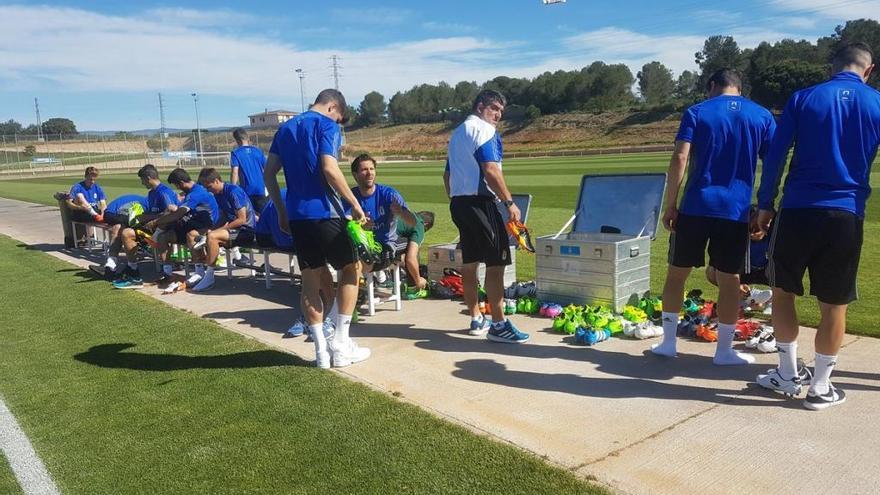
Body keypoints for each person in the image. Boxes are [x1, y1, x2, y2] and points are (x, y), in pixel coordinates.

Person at [754, 42, 879, 410]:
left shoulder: (804, 98)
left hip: (797, 210)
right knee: (834, 304)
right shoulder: (875, 102)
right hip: (846, 214)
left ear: (832, 67)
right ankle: (820, 387)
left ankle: (788, 373)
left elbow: (776, 154)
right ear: (869, 71)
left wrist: (765, 204)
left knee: (783, 292)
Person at [652, 68, 776, 365]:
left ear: (712, 86)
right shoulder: (761, 116)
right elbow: (772, 165)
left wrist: (671, 204)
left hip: (697, 205)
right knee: (730, 279)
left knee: (677, 274)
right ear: (739, 87)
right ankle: (724, 352)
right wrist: (764, 206)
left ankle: (668, 344)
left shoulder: (697, 112)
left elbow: (680, 157)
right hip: (735, 210)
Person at [264, 88, 370, 368]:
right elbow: (329, 168)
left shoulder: (285, 128)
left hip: (298, 217)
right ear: (334, 108)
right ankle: (341, 342)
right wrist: (354, 205)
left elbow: (268, 174)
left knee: (309, 282)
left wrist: (281, 210)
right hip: (326, 213)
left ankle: (321, 353)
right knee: (352, 269)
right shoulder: (326, 125)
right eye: (340, 118)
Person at [444, 89, 529, 343]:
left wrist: (458, 200)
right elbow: (491, 170)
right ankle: (499, 324)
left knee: (469, 265)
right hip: (482, 204)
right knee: (496, 264)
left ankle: (476, 318)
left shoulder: (457, 134)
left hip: (460, 204)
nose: (498, 115)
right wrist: (509, 203)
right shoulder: (484, 130)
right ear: (481, 106)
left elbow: (446, 176)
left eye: (501, 111)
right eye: (495, 109)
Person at [254, 192, 337, 339]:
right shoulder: (292, 199)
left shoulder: (311, 197)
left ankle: (326, 316)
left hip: (291, 235)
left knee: (318, 267)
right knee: (315, 268)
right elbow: (282, 236)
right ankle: (318, 318)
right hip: (281, 237)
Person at [145, 168, 220, 286]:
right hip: (191, 224)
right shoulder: (191, 192)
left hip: (207, 227)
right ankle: (167, 274)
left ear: (181, 183)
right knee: (163, 237)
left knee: (191, 235)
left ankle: (199, 272)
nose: (178, 188)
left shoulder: (196, 193)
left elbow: (178, 214)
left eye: (177, 185)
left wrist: (156, 222)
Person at [347, 153, 418, 275]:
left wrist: (401, 212)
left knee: (354, 269)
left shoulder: (389, 194)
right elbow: (344, 222)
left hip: (386, 245)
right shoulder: (350, 196)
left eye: (372, 169)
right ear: (355, 175)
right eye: (364, 170)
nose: (369, 173)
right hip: (360, 245)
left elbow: (413, 222)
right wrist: (361, 226)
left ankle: (379, 279)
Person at [111, 164, 180, 289]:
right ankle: (132, 269)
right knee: (122, 229)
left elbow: (171, 213)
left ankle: (162, 273)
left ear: (148, 178)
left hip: (165, 229)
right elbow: (150, 212)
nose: (142, 183)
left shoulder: (164, 193)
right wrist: (140, 216)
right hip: (151, 228)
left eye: (142, 180)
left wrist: (151, 221)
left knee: (127, 233)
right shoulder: (152, 194)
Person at [189, 168, 256, 292]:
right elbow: (223, 216)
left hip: (246, 231)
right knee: (198, 235)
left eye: (209, 187)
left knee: (212, 237)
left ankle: (209, 277)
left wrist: (218, 230)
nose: (209, 191)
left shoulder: (233, 191)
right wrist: (212, 229)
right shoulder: (218, 194)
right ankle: (201, 272)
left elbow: (242, 219)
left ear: (216, 181)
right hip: (234, 230)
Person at [705, 207, 773, 311]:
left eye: (757, 227)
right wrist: (737, 285)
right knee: (712, 272)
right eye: (751, 227)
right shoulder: (736, 234)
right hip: (745, 271)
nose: (754, 232)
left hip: (767, 271)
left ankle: (775, 302)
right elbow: (721, 262)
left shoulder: (774, 234)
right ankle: (747, 298)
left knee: (784, 275)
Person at [230, 128, 268, 213]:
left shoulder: (236, 153)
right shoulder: (258, 151)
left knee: (250, 217)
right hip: (260, 189)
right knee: (263, 215)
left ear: (237, 140)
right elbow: (267, 168)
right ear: (247, 138)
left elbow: (234, 172)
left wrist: (232, 189)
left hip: (247, 190)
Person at [396, 210, 435, 290]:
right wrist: (418, 280)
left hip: (370, 237)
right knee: (413, 246)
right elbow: (411, 258)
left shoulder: (407, 214)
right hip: (381, 245)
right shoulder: (419, 224)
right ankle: (413, 287)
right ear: (426, 224)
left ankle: (393, 277)